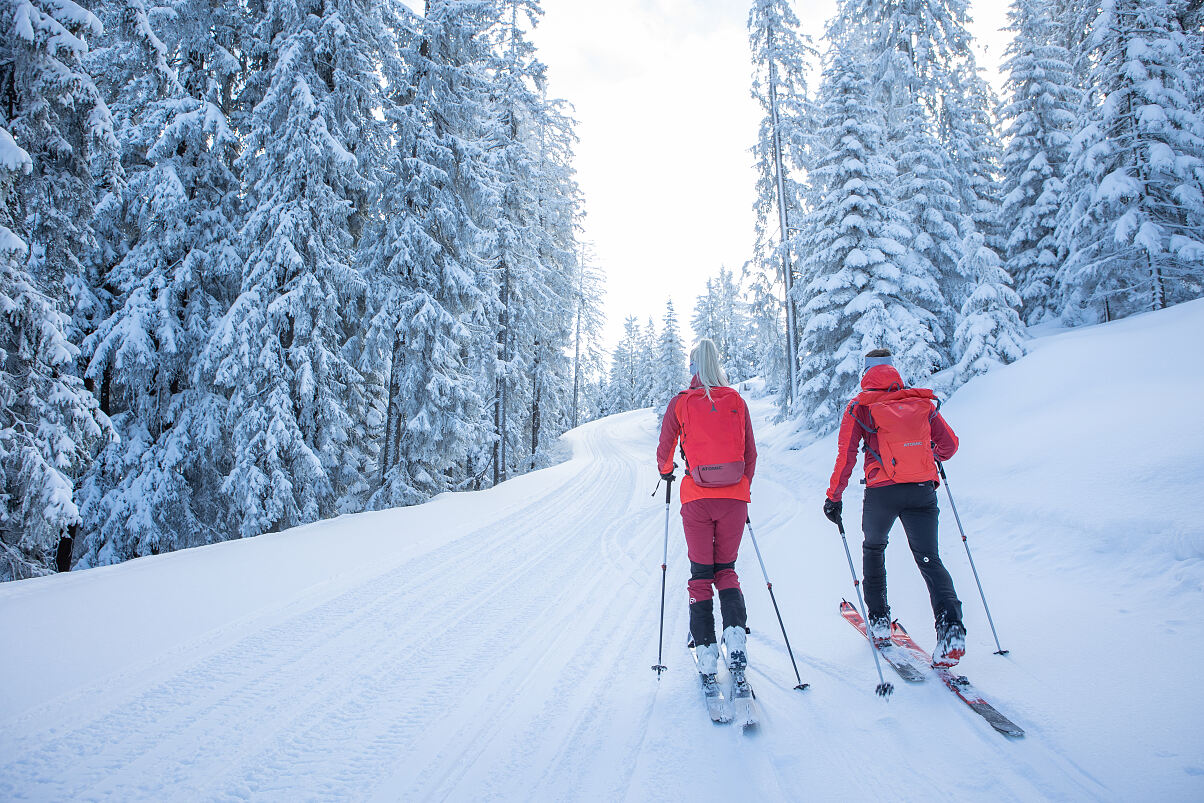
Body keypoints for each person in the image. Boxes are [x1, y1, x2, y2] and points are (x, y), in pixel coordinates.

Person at [823, 348, 967, 666]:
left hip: (881, 494)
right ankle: (952, 632)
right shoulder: (918, 402)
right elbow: (950, 446)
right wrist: (926, 457)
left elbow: (846, 456)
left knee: (874, 549)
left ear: (866, 372)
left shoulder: (860, 407)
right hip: (922, 491)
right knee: (930, 559)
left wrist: (834, 497)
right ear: (893, 370)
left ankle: (878, 622)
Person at [656, 338, 757, 684]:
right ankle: (736, 637)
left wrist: (666, 471)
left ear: (694, 368)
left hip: (696, 500)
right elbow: (751, 454)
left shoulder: (682, 403)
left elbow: (665, 448)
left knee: (701, 576)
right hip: (733, 501)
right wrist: (741, 488)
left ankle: (707, 653)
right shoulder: (736, 402)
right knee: (726, 569)